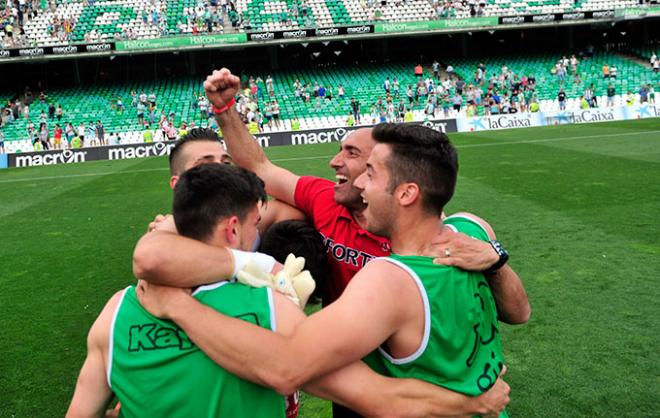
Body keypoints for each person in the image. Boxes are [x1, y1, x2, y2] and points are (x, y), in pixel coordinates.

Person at [136, 125, 512, 417]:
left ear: (406, 193)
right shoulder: (473, 230)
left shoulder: (387, 279)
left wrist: (177, 305)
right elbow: (521, 312)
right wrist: (497, 259)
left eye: (370, 171)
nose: (359, 182)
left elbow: (288, 368)